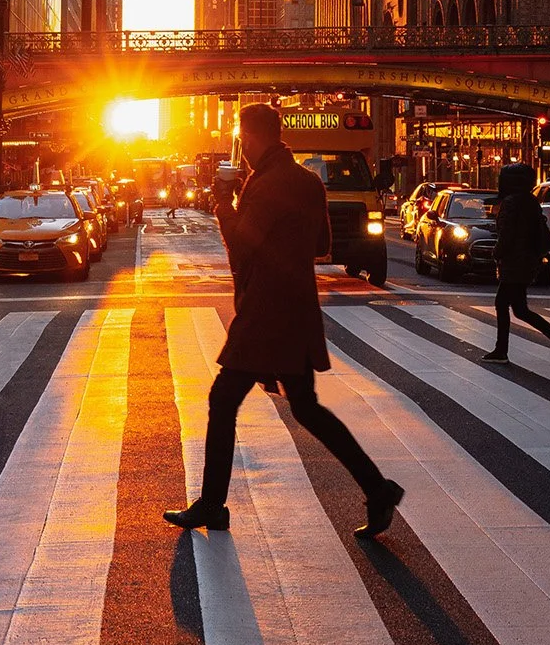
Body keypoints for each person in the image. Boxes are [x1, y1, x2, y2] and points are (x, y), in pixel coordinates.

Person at [164, 103, 404, 539]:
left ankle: (213, 506)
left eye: (243, 140)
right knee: (306, 408)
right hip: (295, 308)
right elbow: (322, 243)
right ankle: (377, 488)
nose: (243, 149)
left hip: (266, 312)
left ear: (252, 138)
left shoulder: (267, 184)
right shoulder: (308, 181)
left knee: (224, 400)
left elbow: (242, 245)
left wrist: (224, 202)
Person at [483, 162, 550, 366]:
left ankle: (502, 350)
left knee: (502, 304)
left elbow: (507, 235)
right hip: (526, 261)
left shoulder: (511, 202)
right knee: (519, 309)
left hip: (514, 262)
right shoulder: (530, 201)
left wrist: (496, 253)